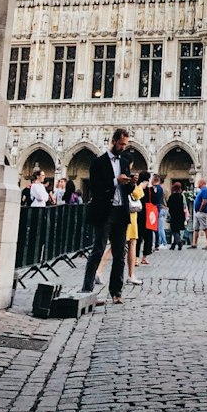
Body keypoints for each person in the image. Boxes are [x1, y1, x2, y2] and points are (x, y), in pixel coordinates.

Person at [80, 128, 135, 304]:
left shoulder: (125, 161)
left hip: (120, 211)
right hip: (105, 211)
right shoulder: (98, 162)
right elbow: (95, 187)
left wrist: (130, 183)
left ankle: (116, 292)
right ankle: (87, 291)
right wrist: (115, 181)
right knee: (98, 250)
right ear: (113, 141)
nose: (123, 147)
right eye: (121, 144)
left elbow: (128, 191)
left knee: (119, 254)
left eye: (125, 145)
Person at [167, 180, 189, 251]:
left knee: (174, 230)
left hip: (174, 215)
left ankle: (179, 242)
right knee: (177, 230)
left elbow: (169, 205)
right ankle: (173, 245)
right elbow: (184, 205)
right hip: (181, 215)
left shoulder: (172, 196)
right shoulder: (181, 196)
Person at [192, 176, 207, 249]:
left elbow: (204, 201)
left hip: (202, 212)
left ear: (202, 183)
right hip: (198, 212)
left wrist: (200, 209)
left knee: (205, 227)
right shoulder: (201, 191)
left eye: (198, 182)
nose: (197, 184)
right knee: (196, 228)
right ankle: (194, 243)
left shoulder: (205, 190)